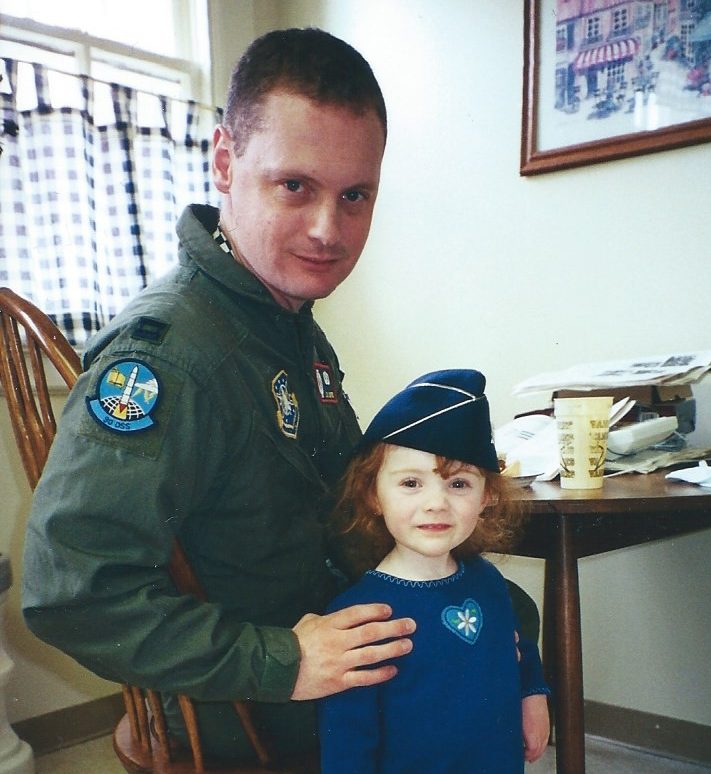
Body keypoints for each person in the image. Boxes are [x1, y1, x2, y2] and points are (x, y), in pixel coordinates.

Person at [21, 28, 416, 767]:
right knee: (475, 696)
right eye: (294, 186)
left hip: (305, 638)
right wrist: (281, 661)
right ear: (226, 162)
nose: (328, 231)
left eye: (355, 195)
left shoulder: (284, 323)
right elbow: (70, 593)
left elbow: (335, 504)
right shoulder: (171, 357)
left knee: (497, 617)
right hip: (246, 699)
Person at [318, 369, 551, 773]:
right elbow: (346, 740)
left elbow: (515, 646)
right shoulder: (360, 616)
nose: (436, 503)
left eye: (458, 484)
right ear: (373, 494)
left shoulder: (487, 580)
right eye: (411, 483)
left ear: (487, 496)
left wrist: (533, 694)